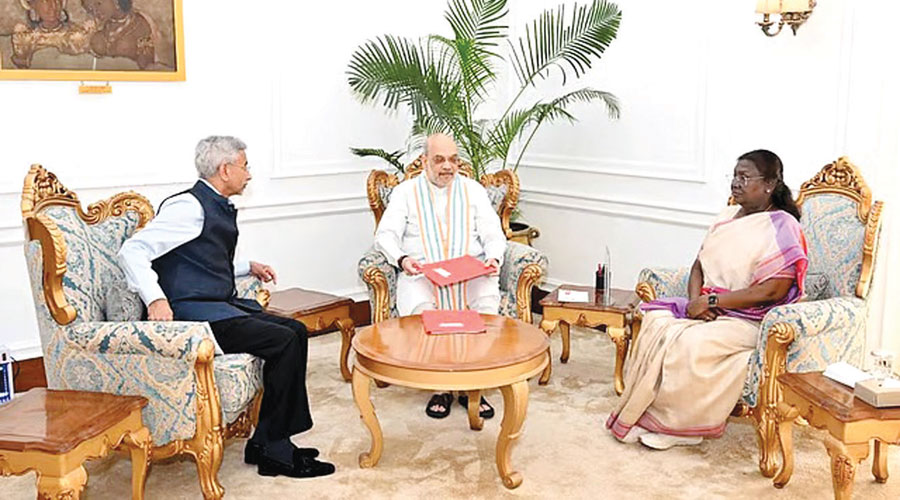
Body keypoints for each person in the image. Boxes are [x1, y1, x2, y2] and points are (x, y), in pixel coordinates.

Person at [117, 136, 334, 478]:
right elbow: (132, 251)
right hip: (192, 317)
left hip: (213, 306)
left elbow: (199, 258)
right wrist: (155, 298)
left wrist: (247, 266)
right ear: (225, 169)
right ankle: (276, 451)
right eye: (245, 166)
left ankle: (265, 441)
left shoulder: (210, 203)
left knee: (294, 330)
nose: (249, 174)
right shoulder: (188, 207)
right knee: (284, 340)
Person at [606, 149, 808, 450]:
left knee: (690, 343)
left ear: (768, 184)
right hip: (708, 308)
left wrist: (712, 304)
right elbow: (698, 265)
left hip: (751, 317)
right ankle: (647, 416)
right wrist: (694, 303)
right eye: (734, 176)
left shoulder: (783, 225)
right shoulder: (726, 217)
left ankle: (681, 428)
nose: (736, 183)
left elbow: (773, 291)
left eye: (745, 177)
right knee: (656, 324)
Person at [374, 133, 506, 419]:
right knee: (424, 311)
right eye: (439, 160)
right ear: (424, 161)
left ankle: (474, 387)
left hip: (470, 273)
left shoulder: (473, 190)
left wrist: (494, 257)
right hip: (422, 273)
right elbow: (385, 235)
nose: (448, 166)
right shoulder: (405, 192)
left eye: (453, 160)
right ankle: (440, 387)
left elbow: (494, 234)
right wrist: (402, 259)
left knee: (485, 307)